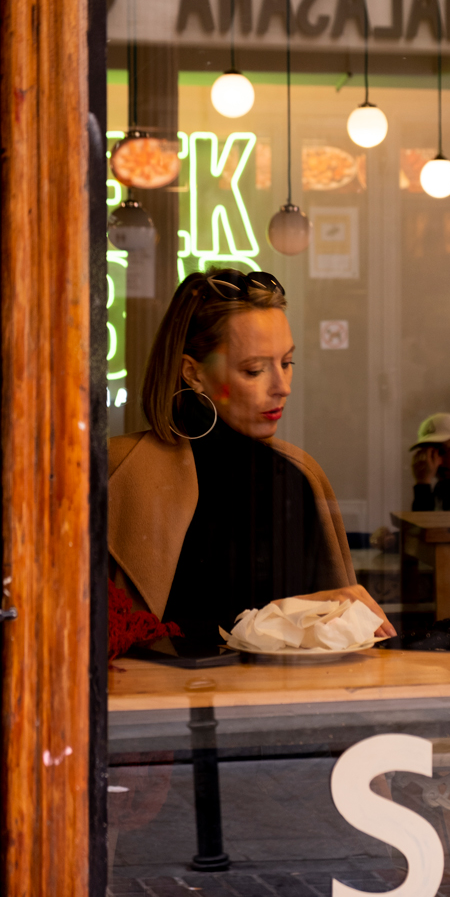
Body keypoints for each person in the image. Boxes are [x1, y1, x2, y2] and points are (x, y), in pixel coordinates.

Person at [109, 268, 395, 644]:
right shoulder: (122, 472)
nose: (282, 387)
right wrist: (300, 611)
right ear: (193, 374)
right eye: (254, 370)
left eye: (287, 363)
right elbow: (140, 637)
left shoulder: (297, 477)